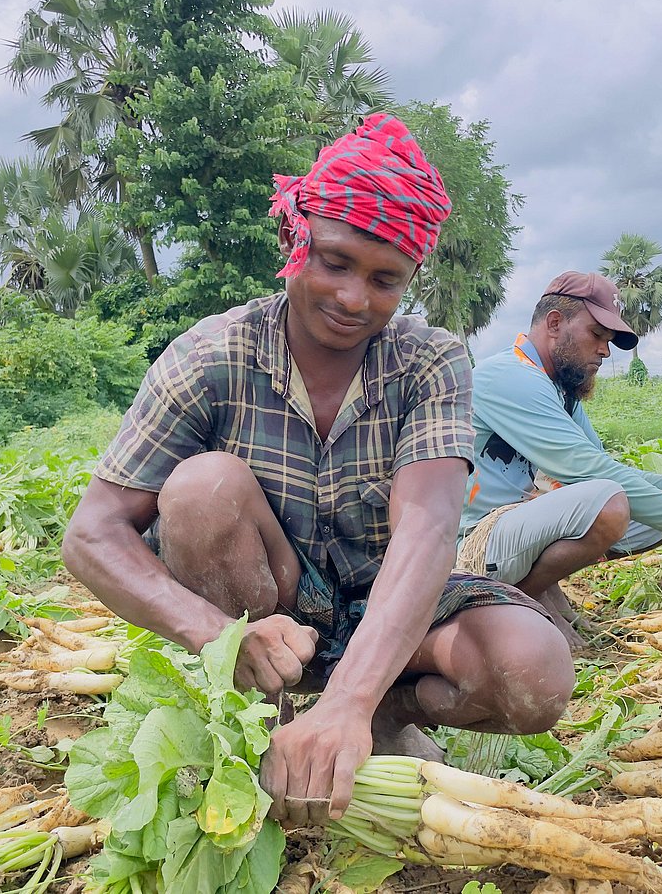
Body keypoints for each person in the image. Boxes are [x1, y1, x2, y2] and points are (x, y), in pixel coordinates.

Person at [63, 114, 576, 829]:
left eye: (385, 279)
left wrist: (350, 703)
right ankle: (260, 729)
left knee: (534, 673)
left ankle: (377, 717)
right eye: (335, 262)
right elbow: (92, 534)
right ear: (291, 239)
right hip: (270, 617)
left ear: (409, 280)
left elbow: (428, 528)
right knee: (203, 488)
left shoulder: (427, 360)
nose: (354, 298)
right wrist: (218, 635)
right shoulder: (210, 357)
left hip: (391, 607)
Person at [458, 271, 662, 648]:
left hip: (513, 530)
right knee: (610, 505)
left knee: (654, 503)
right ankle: (519, 602)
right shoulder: (509, 377)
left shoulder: (557, 388)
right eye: (597, 335)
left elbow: (609, 470)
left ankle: (539, 591)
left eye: (609, 340)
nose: (604, 350)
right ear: (554, 323)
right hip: (470, 545)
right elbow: (591, 473)